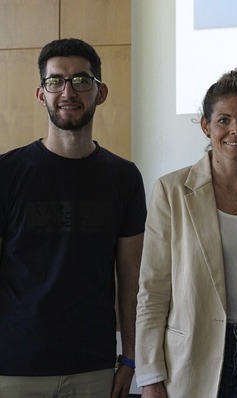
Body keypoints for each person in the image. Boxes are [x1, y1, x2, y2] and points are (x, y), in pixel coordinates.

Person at [135, 68, 237, 397]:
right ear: (206, 126)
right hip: (192, 356)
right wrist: (150, 375)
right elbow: (152, 291)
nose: (236, 130)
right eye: (224, 120)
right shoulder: (171, 191)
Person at [0, 38, 146, 397]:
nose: (68, 91)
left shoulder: (124, 177)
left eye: (81, 80)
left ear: (101, 92)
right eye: (56, 81)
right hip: (15, 367)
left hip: (93, 366)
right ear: (41, 94)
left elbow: (130, 278)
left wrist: (129, 357)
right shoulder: (7, 172)